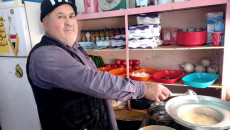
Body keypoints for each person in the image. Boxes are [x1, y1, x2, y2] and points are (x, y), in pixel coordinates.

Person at [26, 0, 171, 129]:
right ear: (45, 23)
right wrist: (142, 88)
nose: (69, 21)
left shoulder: (75, 48)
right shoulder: (44, 55)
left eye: (71, 16)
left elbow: (98, 89)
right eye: (61, 16)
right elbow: (90, 80)